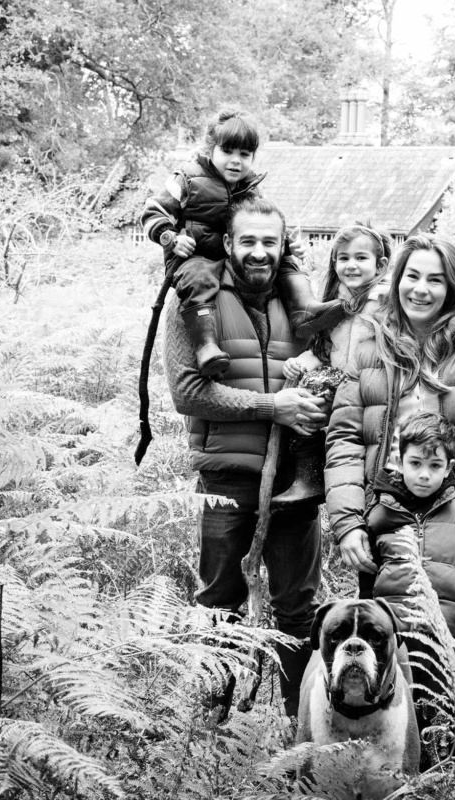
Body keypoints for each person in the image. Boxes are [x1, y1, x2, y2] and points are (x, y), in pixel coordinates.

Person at [325, 233, 455, 800]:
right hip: (383, 526)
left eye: (436, 278)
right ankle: (390, 778)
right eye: (413, 275)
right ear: (396, 278)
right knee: (391, 655)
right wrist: (347, 523)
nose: (422, 288)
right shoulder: (367, 349)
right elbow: (342, 439)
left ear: (454, 288)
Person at [161, 195, 329, 718]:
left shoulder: (299, 306)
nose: (260, 252)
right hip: (225, 482)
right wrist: (271, 406)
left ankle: (298, 729)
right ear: (229, 243)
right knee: (219, 606)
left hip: (295, 482)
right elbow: (187, 393)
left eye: (269, 242)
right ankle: (214, 727)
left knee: (297, 612)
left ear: (284, 247)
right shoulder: (194, 303)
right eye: (249, 241)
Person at [143, 109, 343, 377]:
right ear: (211, 149)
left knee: (284, 263)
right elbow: (153, 210)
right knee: (198, 280)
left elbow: (262, 223)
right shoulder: (187, 179)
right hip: (195, 256)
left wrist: (286, 245)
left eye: (245, 155)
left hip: (235, 257)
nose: (236, 161)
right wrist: (170, 237)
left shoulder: (249, 187)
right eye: (228, 152)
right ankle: (206, 346)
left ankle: (304, 310)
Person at [272, 223, 395, 506]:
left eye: (361, 258)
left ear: (381, 265)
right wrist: (302, 362)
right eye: (343, 258)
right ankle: (309, 474)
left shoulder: (387, 301)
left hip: (373, 381)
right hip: (341, 379)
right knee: (306, 399)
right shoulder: (334, 302)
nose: (351, 265)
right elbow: (326, 350)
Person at [368, 412, 455, 643]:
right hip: (393, 645)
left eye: (435, 465)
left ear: (448, 468)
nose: (424, 475)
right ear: (399, 463)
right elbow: (366, 587)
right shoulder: (380, 516)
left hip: (448, 643)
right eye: (415, 463)